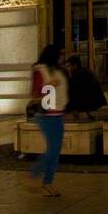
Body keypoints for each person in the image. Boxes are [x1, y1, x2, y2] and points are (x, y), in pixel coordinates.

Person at [27, 45, 68, 196]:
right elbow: (34, 93)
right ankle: (35, 175)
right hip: (46, 113)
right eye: (60, 54)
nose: (62, 57)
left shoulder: (57, 70)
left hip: (57, 113)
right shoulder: (41, 70)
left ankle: (47, 182)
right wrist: (50, 85)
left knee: (55, 150)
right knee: (52, 150)